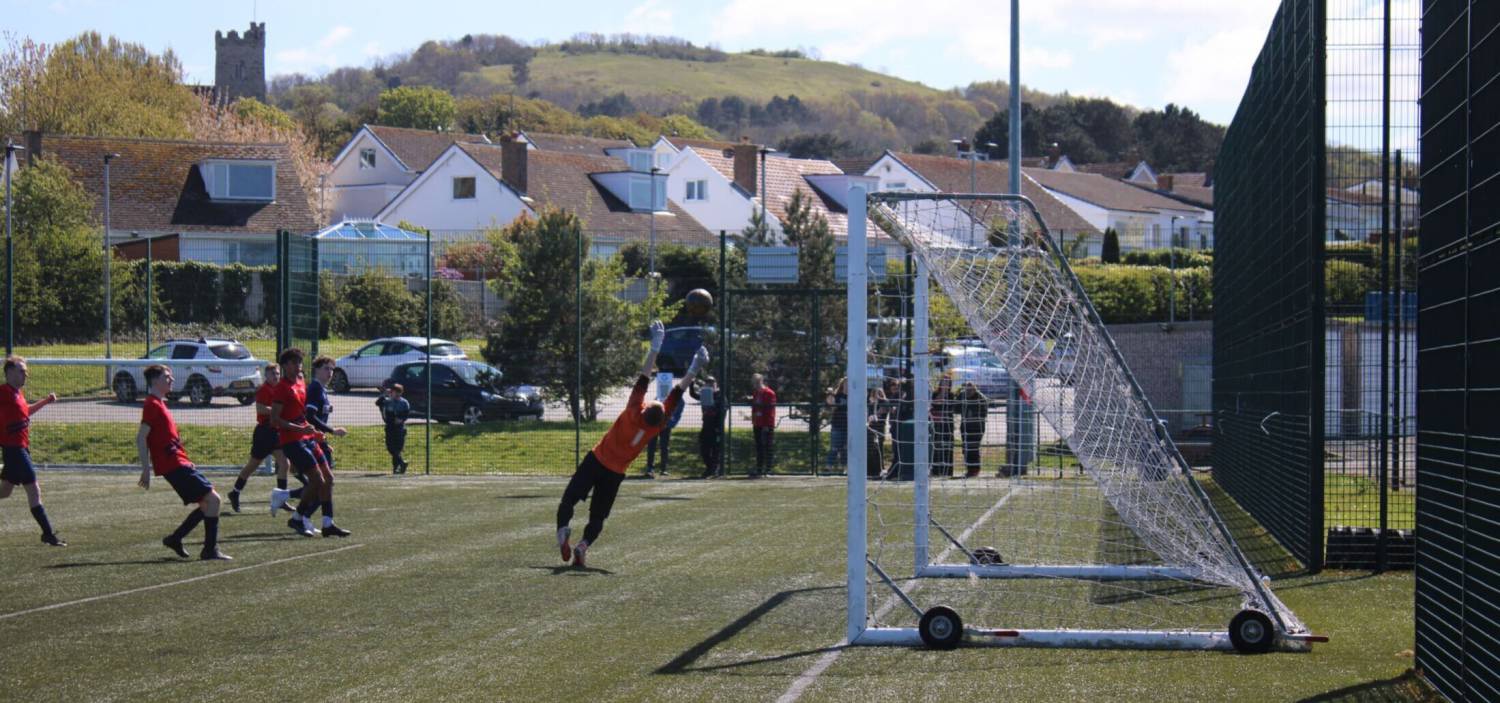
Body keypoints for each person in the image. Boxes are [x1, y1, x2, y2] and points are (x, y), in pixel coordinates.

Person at [555, 320, 708, 567]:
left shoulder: (633, 410)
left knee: (568, 500)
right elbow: (678, 391)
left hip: (596, 459)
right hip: (615, 473)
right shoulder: (656, 427)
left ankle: (563, 530)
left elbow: (645, 375)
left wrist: (655, 346)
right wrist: (695, 367)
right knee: (598, 517)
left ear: (645, 406)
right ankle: (583, 546)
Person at [136, 364, 230, 560]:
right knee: (213, 500)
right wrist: (146, 469)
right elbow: (141, 437)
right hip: (173, 464)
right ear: (155, 381)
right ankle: (209, 550)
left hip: (178, 462)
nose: (171, 380)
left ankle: (176, 539)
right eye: (167, 377)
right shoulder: (152, 404)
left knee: (207, 504)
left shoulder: (160, 404)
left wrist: (186, 459)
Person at [269, 348, 349, 538]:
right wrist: (301, 429)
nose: (299, 366)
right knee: (317, 481)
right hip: (292, 442)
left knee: (328, 479)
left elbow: (302, 416)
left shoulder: (300, 383)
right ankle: (297, 517)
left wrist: (316, 433)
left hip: (307, 439)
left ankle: (328, 524)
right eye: (296, 362)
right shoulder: (281, 388)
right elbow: (275, 419)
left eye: (300, 362)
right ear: (286, 365)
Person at [0, 356, 65, 546]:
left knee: (4, 492)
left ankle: (48, 533)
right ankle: (48, 533)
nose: (25, 374)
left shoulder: (17, 394)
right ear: (9, 372)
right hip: (14, 450)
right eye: (21, 370)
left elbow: (25, 412)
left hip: (22, 449)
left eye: (25, 371)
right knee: (34, 490)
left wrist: (45, 401)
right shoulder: (3, 392)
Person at [227, 364, 292, 514]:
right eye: (272, 374)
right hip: (264, 432)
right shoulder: (264, 389)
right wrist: (278, 410)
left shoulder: (280, 388)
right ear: (266, 376)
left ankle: (281, 498)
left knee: (285, 463)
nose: (275, 376)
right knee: (252, 465)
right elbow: (260, 408)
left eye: (277, 373)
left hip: (276, 431)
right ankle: (235, 492)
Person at [303, 356, 348, 531]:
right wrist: (332, 431)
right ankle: (302, 515)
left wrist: (324, 440)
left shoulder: (321, 390)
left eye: (331, 369)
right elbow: (310, 417)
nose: (330, 373)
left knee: (325, 482)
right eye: (326, 369)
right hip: (312, 441)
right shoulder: (314, 388)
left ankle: (322, 521)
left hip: (319, 441)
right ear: (317, 370)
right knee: (323, 482)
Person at [645, 373, 684, 478]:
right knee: (651, 446)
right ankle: (650, 469)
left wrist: (671, 422)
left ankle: (663, 469)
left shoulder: (676, 398)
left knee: (664, 447)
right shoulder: (657, 397)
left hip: (666, 426)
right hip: (654, 426)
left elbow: (678, 410)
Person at [690, 376, 724, 478]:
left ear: (716, 384)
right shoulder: (704, 394)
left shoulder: (720, 395)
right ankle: (710, 468)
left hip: (716, 427)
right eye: (708, 383)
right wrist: (691, 384)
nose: (710, 384)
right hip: (706, 426)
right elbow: (693, 395)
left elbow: (723, 411)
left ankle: (715, 470)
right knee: (704, 448)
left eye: (712, 383)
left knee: (715, 450)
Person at [956, 381, 990, 478]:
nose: (969, 392)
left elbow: (984, 412)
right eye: (967, 389)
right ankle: (969, 469)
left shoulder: (980, 397)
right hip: (965, 426)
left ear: (975, 389)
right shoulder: (962, 396)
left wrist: (973, 414)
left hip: (977, 427)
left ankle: (975, 469)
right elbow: (955, 408)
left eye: (971, 390)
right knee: (966, 448)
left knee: (974, 448)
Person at [376, 382, 411, 474]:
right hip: (390, 427)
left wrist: (401, 419)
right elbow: (377, 403)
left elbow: (406, 414)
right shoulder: (387, 401)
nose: (396, 394)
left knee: (397, 449)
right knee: (390, 447)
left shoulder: (404, 402)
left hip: (400, 428)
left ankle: (396, 468)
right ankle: (402, 463)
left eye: (398, 392)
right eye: (394, 392)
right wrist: (384, 394)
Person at [747, 373, 777, 477]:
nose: (754, 385)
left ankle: (768, 469)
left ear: (760, 382)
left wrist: (766, 425)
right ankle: (759, 469)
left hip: (766, 424)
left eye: (755, 382)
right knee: (759, 447)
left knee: (767, 446)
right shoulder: (756, 393)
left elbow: (770, 411)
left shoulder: (769, 393)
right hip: (757, 423)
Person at [931, 374, 955, 477]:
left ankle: (948, 471)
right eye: (943, 382)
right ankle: (936, 470)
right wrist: (941, 394)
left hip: (947, 424)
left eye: (947, 382)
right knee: (936, 446)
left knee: (947, 446)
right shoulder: (935, 393)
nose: (945, 384)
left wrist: (946, 395)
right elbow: (933, 404)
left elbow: (952, 407)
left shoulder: (951, 395)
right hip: (937, 423)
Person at [824, 377, 848, 472]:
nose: (848, 385)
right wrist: (830, 393)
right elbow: (830, 402)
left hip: (850, 426)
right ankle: (828, 467)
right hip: (837, 425)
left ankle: (844, 468)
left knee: (846, 449)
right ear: (842, 385)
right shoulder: (838, 396)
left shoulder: (855, 396)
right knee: (835, 447)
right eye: (846, 383)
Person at [865, 386, 889, 479]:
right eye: (875, 393)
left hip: (880, 428)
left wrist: (875, 414)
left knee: (879, 448)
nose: (877, 395)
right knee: (871, 448)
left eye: (879, 393)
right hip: (871, 428)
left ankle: (879, 469)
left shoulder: (885, 402)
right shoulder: (870, 403)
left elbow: (881, 411)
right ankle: (870, 470)